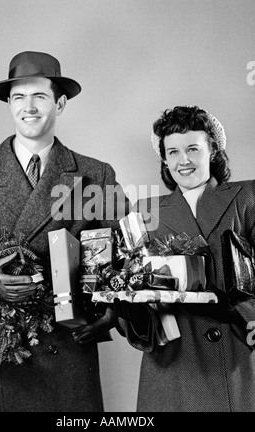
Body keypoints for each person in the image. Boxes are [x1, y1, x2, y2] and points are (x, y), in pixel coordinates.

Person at [0, 51, 129, 412]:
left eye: (40, 96)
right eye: (18, 97)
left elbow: (126, 260)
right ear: (8, 104)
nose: (28, 107)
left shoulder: (97, 174)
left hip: (64, 350)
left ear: (60, 103)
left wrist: (114, 310)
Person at [115, 105, 255, 412]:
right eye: (173, 152)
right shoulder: (144, 210)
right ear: (164, 159)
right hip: (173, 360)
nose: (184, 160)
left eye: (193, 148)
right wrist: (127, 305)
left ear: (213, 150)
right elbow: (133, 288)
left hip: (235, 352)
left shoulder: (247, 198)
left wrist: (248, 314)